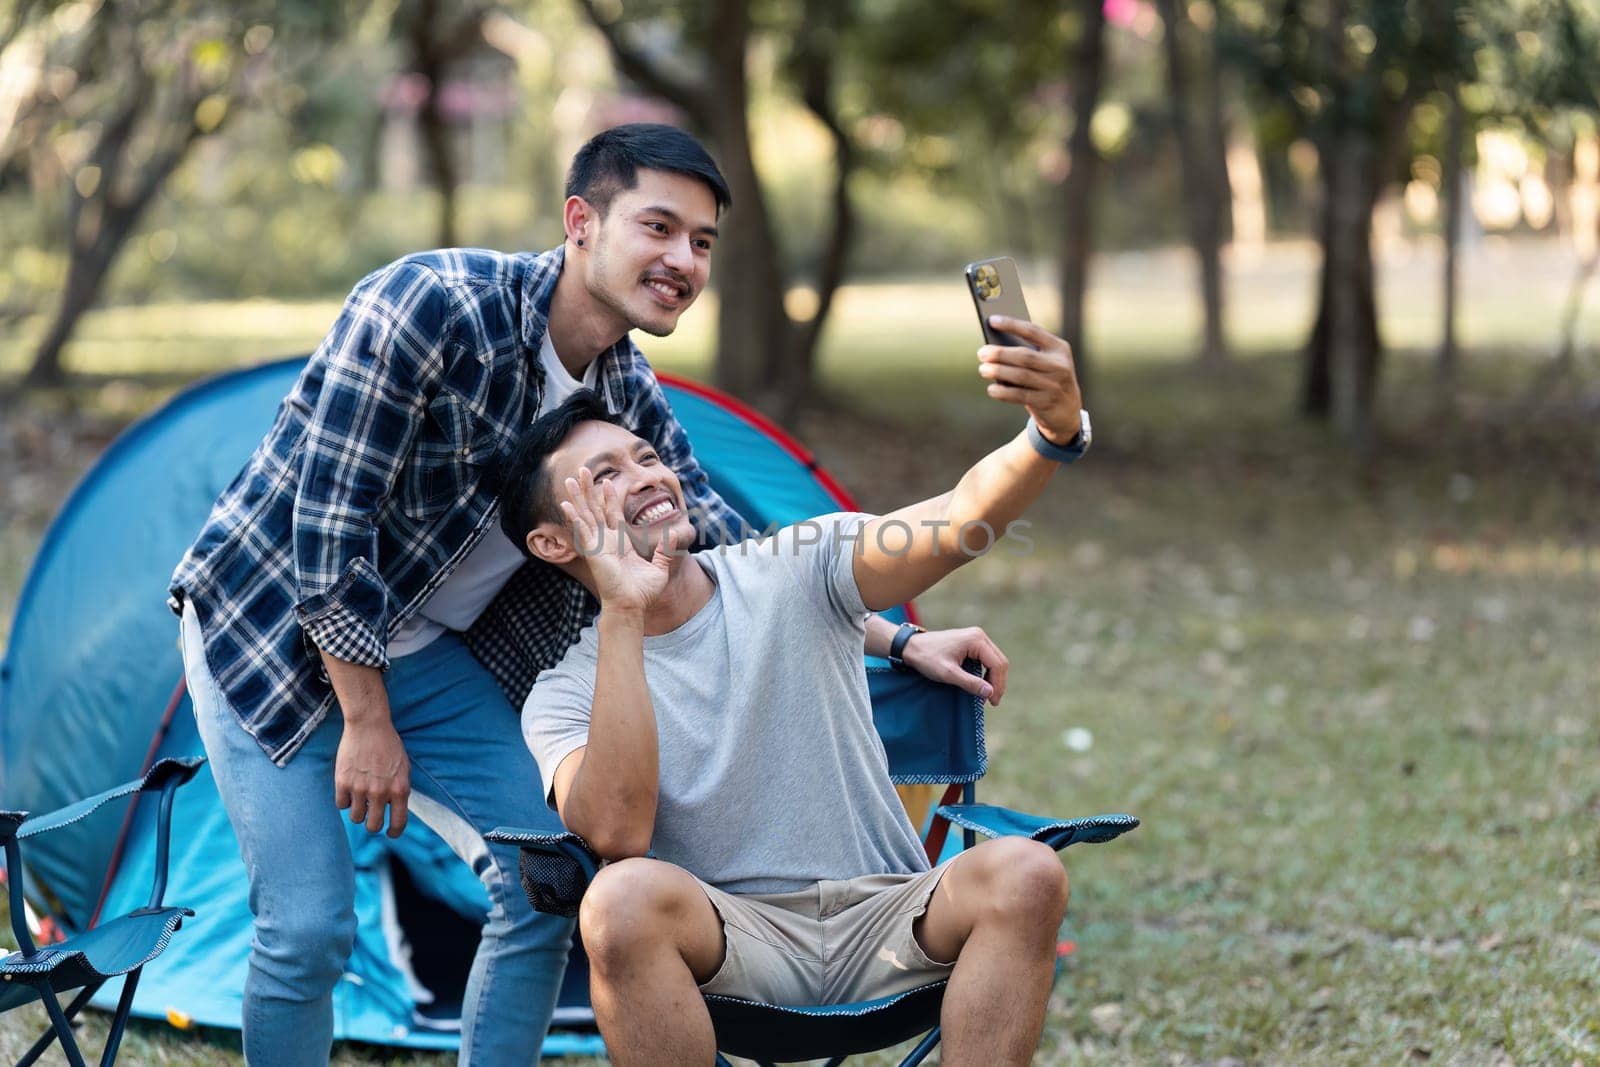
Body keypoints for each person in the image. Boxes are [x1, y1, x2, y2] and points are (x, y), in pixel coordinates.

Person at [168, 122, 1001, 1066]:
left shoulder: (624, 393)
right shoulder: (429, 306)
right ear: (580, 221)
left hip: (423, 650)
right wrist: (365, 719)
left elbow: (733, 559)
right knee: (309, 925)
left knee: (544, 887)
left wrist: (892, 639)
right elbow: (323, 527)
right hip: (269, 625)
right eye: (658, 227)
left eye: (701, 242)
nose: (681, 260)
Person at [508, 311, 1092, 1067]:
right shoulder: (560, 693)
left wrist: (1049, 432)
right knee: (615, 901)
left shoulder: (796, 563)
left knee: (1028, 869)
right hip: (734, 944)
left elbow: (955, 521)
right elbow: (618, 833)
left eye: (647, 455)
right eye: (605, 476)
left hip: (893, 913)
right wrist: (623, 608)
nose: (647, 474)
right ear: (556, 541)